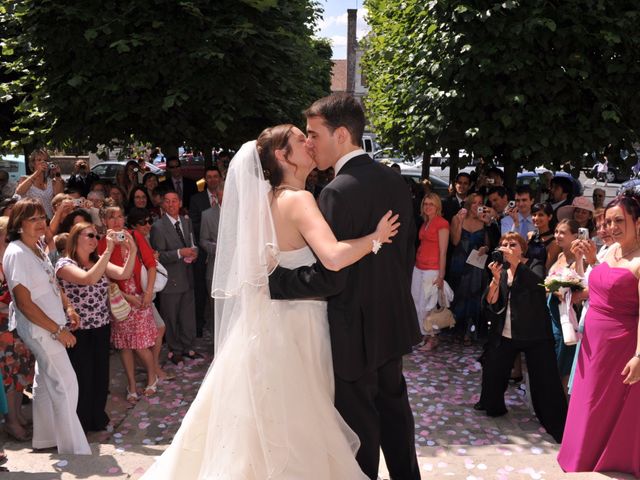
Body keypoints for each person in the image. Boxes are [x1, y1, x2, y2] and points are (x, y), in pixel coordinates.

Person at [141, 123, 399, 479]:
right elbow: (334, 257)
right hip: (299, 325)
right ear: (282, 155)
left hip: (266, 323)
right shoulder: (299, 199)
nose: (308, 143)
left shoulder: (265, 201)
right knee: (299, 419)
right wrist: (375, 238)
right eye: (298, 139)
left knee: (266, 417)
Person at [269, 94, 421, 479]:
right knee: (395, 414)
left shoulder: (337, 191)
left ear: (340, 135)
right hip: (392, 319)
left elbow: (331, 274)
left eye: (314, 134)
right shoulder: (395, 179)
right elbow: (404, 255)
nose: (309, 143)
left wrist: (277, 282)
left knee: (359, 428)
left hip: (353, 328)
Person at [558, 192, 640, 476]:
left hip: (620, 345)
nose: (613, 226)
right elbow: (600, 285)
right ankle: (580, 456)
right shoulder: (610, 250)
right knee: (586, 400)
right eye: (609, 221)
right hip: (591, 343)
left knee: (604, 406)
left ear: (638, 222)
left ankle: (604, 458)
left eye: (620, 220)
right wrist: (591, 262)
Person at [2, 198, 90, 454]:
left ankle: (45, 438)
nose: (41, 223)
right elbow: (23, 302)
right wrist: (57, 330)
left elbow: (52, 282)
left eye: (42, 217)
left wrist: (69, 308)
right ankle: (74, 449)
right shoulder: (17, 252)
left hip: (51, 325)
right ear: (19, 225)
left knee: (44, 383)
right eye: (33, 219)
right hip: (41, 331)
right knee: (65, 384)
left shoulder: (38, 246)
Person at [477, 232, 567, 442]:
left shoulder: (533, 263)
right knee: (494, 371)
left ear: (522, 248)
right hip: (506, 332)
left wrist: (516, 264)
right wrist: (496, 279)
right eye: (504, 244)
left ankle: (555, 422)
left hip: (534, 333)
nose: (508, 247)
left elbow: (537, 284)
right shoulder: (500, 268)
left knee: (544, 380)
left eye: (513, 244)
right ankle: (493, 405)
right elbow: (490, 302)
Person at [55, 222, 135, 431]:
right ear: (76, 237)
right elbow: (88, 279)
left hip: (101, 325)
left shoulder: (97, 260)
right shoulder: (64, 264)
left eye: (96, 236)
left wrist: (132, 249)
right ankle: (81, 421)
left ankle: (97, 417)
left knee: (100, 374)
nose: (94, 239)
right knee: (83, 375)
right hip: (77, 329)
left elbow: (124, 274)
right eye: (89, 235)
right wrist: (108, 250)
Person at [97, 204, 157, 402]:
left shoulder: (134, 235)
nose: (116, 221)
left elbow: (151, 264)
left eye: (120, 216)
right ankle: (131, 383)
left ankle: (152, 375)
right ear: (104, 221)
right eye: (112, 218)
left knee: (140, 345)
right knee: (124, 346)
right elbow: (105, 276)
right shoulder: (101, 244)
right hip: (119, 300)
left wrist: (148, 292)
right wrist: (126, 296)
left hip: (140, 296)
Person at [150, 191, 198, 364]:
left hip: (187, 275)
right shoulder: (158, 226)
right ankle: (174, 349)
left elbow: (193, 244)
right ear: (162, 204)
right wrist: (179, 253)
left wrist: (194, 254)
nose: (171, 205)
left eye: (174, 201)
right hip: (171, 279)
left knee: (187, 314)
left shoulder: (186, 221)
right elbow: (158, 255)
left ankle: (188, 346)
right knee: (171, 316)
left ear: (180, 202)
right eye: (167, 201)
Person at [0, 216, 34, 442]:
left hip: (17, 322)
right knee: (9, 375)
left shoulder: (13, 255)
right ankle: (11, 421)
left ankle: (17, 414)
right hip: (2, 328)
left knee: (21, 370)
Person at [128, 208, 170, 381]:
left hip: (145, 293)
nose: (147, 225)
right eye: (142, 223)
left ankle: (152, 367)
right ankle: (153, 369)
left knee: (157, 329)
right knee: (151, 332)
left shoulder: (144, 239)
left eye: (149, 221)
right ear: (132, 225)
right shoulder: (131, 239)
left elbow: (150, 265)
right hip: (137, 294)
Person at [411, 193, 449, 351]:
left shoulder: (442, 223)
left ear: (437, 206)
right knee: (417, 303)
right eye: (425, 203)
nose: (427, 206)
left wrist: (441, 276)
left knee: (429, 305)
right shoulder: (425, 222)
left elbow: (443, 252)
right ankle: (424, 334)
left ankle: (433, 337)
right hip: (419, 266)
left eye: (431, 204)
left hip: (432, 269)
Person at [449, 193, 488, 345]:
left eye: (480, 202)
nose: (476, 205)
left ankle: (469, 332)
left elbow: (488, 244)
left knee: (473, 297)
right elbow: (455, 241)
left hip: (476, 264)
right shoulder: (458, 218)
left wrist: (485, 248)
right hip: (459, 261)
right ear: (468, 204)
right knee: (459, 296)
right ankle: (457, 330)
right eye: (474, 202)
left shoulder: (484, 221)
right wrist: (458, 222)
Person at [546, 219, 580, 392]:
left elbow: (579, 293)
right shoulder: (559, 255)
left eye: (562, 232)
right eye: (556, 231)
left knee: (562, 369)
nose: (557, 236)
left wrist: (559, 290)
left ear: (575, 236)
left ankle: (563, 413)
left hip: (565, 318)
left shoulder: (578, 261)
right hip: (550, 314)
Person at [15, 149, 64, 219]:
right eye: (39, 160)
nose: (42, 162)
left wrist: (57, 175)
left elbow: (59, 198)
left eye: (45, 160)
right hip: (31, 219)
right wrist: (38, 172)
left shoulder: (52, 181)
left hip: (49, 221)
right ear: (33, 163)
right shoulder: (24, 179)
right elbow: (19, 191)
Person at [526, 202, 561, 272]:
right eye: (534, 215)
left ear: (550, 217)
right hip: (525, 274)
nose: (536, 218)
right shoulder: (530, 235)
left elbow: (547, 269)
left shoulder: (554, 242)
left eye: (541, 215)